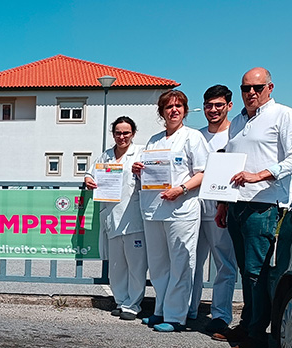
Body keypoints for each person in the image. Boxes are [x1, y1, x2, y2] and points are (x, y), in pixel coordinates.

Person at [214, 68, 292, 348]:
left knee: (257, 272)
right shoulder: (239, 120)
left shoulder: (285, 115)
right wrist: (222, 202)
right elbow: (230, 161)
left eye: (257, 87)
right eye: (245, 88)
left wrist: (261, 174)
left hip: (264, 204)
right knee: (246, 270)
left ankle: (256, 336)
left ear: (270, 87)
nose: (250, 93)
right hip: (237, 203)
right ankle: (248, 324)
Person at [132, 90, 209, 332]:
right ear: (161, 112)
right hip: (154, 209)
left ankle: (176, 316)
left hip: (181, 209)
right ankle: (160, 310)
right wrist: (138, 170)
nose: (174, 110)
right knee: (158, 265)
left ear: (185, 110)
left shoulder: (193, 137)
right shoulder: (154, 140)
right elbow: (150, 173)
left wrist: (182, 189)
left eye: (178, 106)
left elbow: (204, 173)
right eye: (168, 107)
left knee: (181, 263)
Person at [84, 116, 147, 321]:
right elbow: (90, 173)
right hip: (111, 215)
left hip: (133, 217)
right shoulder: (106, 156)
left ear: (133, 134)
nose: (122, 137)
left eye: (126, 133)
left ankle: (133, 304)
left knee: (136, 264)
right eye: (118, 133)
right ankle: (120, 300)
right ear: (113, 134)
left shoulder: (141, 153)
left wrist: (142, 172)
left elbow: (154, 177)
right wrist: (88, 180)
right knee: (117, 264)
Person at [188, 85, 238, 335]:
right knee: (190, 261)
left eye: (219, 105)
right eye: (209, 105)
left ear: (229, 106)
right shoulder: (196, 136)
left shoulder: (236, 134)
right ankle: (189, 309)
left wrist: (225, 204)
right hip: (194, 206)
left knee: (224, 264)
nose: (213, 110)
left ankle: (220, 315)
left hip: (222, 207)